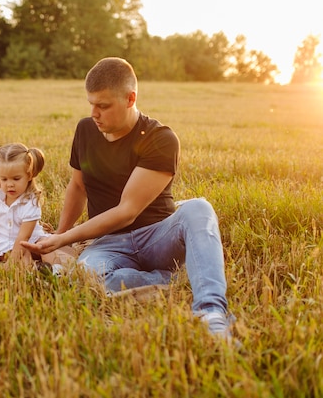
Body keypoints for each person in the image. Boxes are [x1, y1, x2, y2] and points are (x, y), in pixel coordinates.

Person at [21, 57, 235, 341]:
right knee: (84, 280)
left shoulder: (160, 138)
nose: (94, 113)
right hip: (108, 244)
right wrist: (59, 233)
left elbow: (127, 211)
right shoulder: (85, 130)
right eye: (91, 104)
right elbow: (78, 186)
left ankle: (211, 314)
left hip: (158, 236)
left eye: (103, 106)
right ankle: (169, 278)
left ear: (130, 98)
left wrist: (65, 238)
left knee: (198, 208)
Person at [0, 143, 72, 269]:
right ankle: (31, 271)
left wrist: (12, 263)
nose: (10, 184)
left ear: (29, 176)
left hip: (31, 240)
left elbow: (24, 237)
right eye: (4, 179)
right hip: (6, 244)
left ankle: (56, 270)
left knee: (46, 247)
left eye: (16, 179)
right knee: (24, 260)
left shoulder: (30, 202)